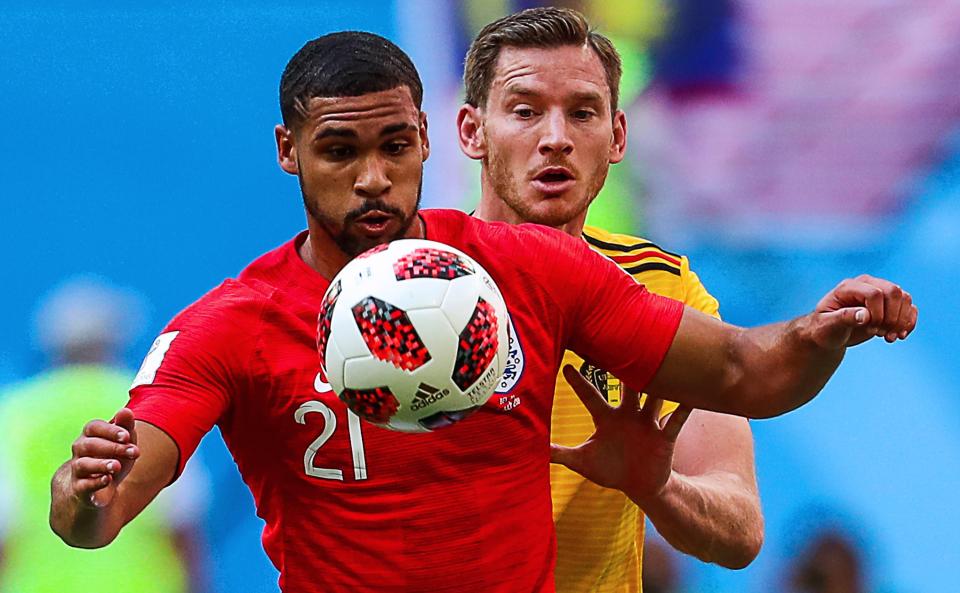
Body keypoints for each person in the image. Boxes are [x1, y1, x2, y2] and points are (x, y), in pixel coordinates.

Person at [48, 31, 915, 593]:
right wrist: (85, 493)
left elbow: (741, 371)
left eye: (393, 146)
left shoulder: (538, 270)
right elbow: (106, 506)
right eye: (339, 150)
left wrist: (818, 331)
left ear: (427, 138)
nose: (373, 177)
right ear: (289, 152)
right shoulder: (227, 325)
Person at [457, 7, 761, 591]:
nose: (555, 138)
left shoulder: (665, 288)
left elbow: (741, 527)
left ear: (617, 135)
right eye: (524, 112)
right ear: (472, 131)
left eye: (582, 113)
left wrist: (659, 488)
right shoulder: (402, 292)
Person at [0, 277, 208, 593]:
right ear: (115, 340)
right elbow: (181, 525)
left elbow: (5, 529)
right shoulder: (149, 403)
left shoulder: (15, 414)